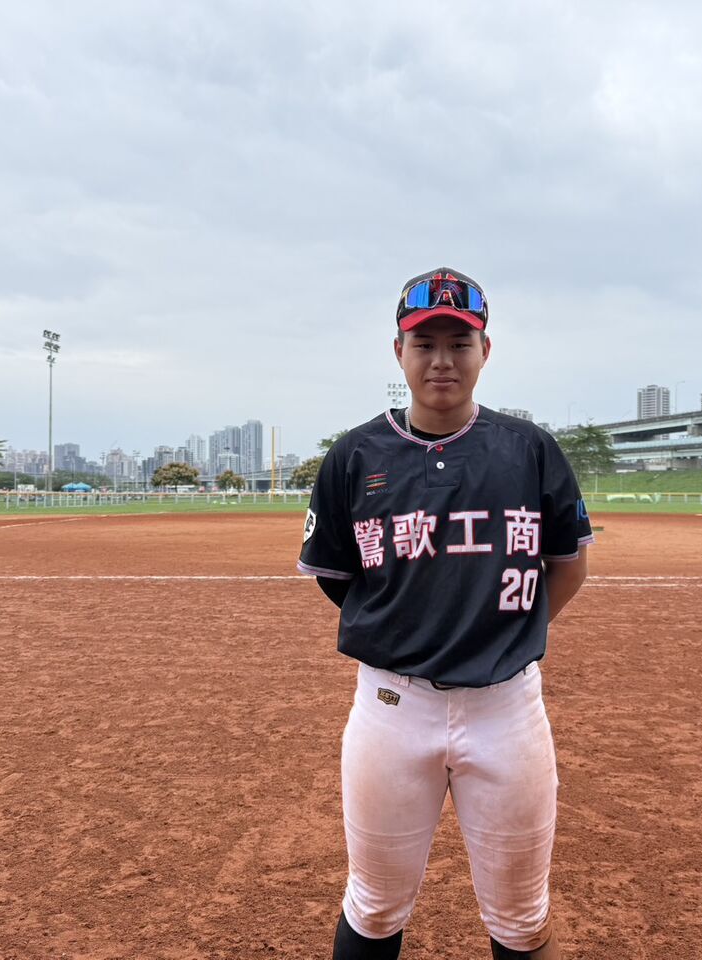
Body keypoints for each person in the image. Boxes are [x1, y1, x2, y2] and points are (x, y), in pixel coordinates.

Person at [297, 268, 593, 959]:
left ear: (485, 350)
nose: (442, 361)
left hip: (507, 707)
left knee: (522, 918)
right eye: (424, 343)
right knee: (374, 908)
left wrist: (504, 633)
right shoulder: (355, 455)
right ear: (398, 352)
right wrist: (409, 623)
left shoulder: (529, 450)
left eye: (459, 343)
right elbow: (340, 578)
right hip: (392, 707)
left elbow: (567, 565)